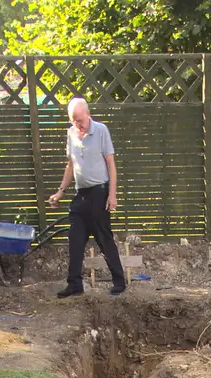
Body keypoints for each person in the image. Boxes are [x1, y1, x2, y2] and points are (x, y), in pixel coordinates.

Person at [49, 97, 126, 298]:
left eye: (80, 120)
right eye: (73, 120)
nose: (77, 124)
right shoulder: (71, 134)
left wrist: (112, 195)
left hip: (99, 194)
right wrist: (60, 191)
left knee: (104, 239)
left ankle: (119, 281)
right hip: (80, 196)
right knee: (75, 240)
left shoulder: (101, 131)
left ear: (88, 115)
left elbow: (111, 164)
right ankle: (74, 284)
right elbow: (71, 165)